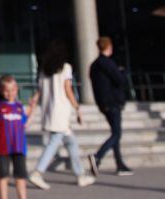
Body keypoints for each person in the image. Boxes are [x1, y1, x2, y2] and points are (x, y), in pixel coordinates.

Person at [28, 41, 95, 189]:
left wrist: (33, 105)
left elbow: (39, 91)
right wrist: (77, 107)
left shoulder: (44, 69)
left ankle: (80, 174)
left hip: (49, 110)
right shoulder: (65, 68)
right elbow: (67, 89)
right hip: (61, 111)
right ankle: (38, 172)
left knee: (71, 142)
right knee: (54, 142)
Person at [0, 76, 35, 199]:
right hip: (3, 148)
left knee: (20, 176)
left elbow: (25, 123)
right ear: (1, 91)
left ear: (17, 90)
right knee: (3, 176)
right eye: (7, 90)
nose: (10, 93)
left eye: (13, 89)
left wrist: (32, 108)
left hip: (19, 147)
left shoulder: (20, 107)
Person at [87, 36, 133, 176]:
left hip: (103, 103)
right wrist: (123, 72)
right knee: (117, 133)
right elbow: (119, 80)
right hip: (112, 102)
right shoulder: (107, 63)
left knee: (115, 132)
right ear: (108, 47)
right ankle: (97, 156)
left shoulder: (94, 65)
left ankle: (119, 164)